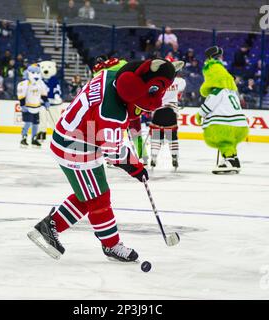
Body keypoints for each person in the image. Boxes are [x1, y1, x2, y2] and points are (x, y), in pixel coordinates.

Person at [27, 58, 181, 263]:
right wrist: (136, 168)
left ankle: (49, 227)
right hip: (75, 148)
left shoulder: (110, 76)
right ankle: (111, 245)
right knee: (98, 198)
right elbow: (114, 152)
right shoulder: (111, 113)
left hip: (78, 138)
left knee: (88, 194)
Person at [195, 46, 249, 174]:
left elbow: (209, 104)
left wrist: (200, 114)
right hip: (240, 124)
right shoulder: (231, 91)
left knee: (224, 142)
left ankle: (229, 160)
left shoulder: (217, 91)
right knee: (230, 144)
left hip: (224, 124)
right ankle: (234, 160)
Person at [150, 67, 186, 170]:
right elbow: (182, 86)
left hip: (158, 112)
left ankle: (153, 157)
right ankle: (174, 157)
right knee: (172, 138)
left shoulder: (158, 82)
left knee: (156, 138)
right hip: (171, 113)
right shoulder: (180, 81)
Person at [17, 64, 50, 147]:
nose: (35, 75)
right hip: (27, 107)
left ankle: (34, 139)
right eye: (33, 72)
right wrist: (22, 105)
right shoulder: (25, 83)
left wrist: (46, 101)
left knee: (36, 124)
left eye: (37, 73)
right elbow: (21, 94)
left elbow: (43, 93)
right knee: (27, 123)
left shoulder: (40, 83)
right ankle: (23, 138)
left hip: (36, 107)